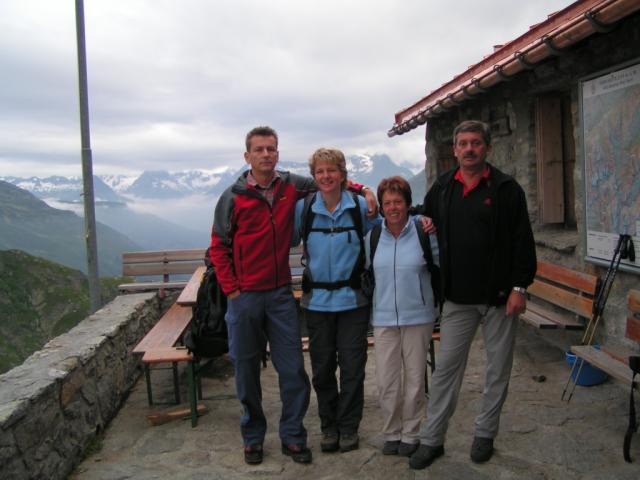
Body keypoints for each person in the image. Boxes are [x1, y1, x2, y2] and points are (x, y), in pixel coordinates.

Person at [209, 127, 376, 466]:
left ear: (277, 153)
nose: (266, 154)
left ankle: (293, 436)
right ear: (247, 156)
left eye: (271, 148)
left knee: (293, 371)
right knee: (246, 370)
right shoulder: (232, 197)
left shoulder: (290, 186)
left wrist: (364, 189)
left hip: (280, 293)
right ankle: (252, 438)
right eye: (259, 149)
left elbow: (327, 182)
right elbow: (218, 246)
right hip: (245, 297)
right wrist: (233, 291)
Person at [409, 120, 537, 469]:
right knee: (446, 371)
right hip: (457, 299)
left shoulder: (507, 189)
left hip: (500, 298)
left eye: (476, 143)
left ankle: (485, 434)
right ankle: (432, 439)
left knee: (497, 370)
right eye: (463, 143)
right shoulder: (443, 187)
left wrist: (519, 288)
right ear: (454, 149)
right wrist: (424, 221)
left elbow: (522, 242)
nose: (469, 149)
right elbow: (424, 215)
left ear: (487, 148)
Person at [291, 148, 379, 454]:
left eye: (332, 170)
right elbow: (283, 237)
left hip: (353, 302)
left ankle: (348, 427)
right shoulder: (303, 209)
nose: (326, 176)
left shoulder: (359, 207)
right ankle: (329, 427)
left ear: (342, 174)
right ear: (313, 176)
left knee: (353, 369)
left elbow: (387, 231)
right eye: (320, 171)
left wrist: (422, 223)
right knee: (323, 369)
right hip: (316, 304)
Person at [365, 176, 439, 458]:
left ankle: (411, 433)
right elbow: (365, 271)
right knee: (386, 380)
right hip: (383, 318)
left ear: (408, 204)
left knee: (415, 380)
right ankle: (392, 432)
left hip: (418, 316)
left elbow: (439, 264)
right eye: (387, 203)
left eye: (398, 201)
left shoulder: (424, 232)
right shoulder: (373, 237)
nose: (393, 207)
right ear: (381, 207)